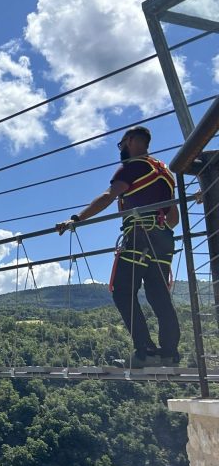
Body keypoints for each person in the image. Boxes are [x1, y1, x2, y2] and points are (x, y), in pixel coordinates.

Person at [56, 125, 180, 368]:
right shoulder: (165, 173)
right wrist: (158, 229)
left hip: (139, 237)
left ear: (131, 140)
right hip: (164, 240)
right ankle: (169, 353)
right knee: (158, 296)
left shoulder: (132, 166)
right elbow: (173, 216)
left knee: (122, 291)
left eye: (121, 144)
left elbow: (108, 196)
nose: (121, 149)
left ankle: (145, 350)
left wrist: (77, 219)